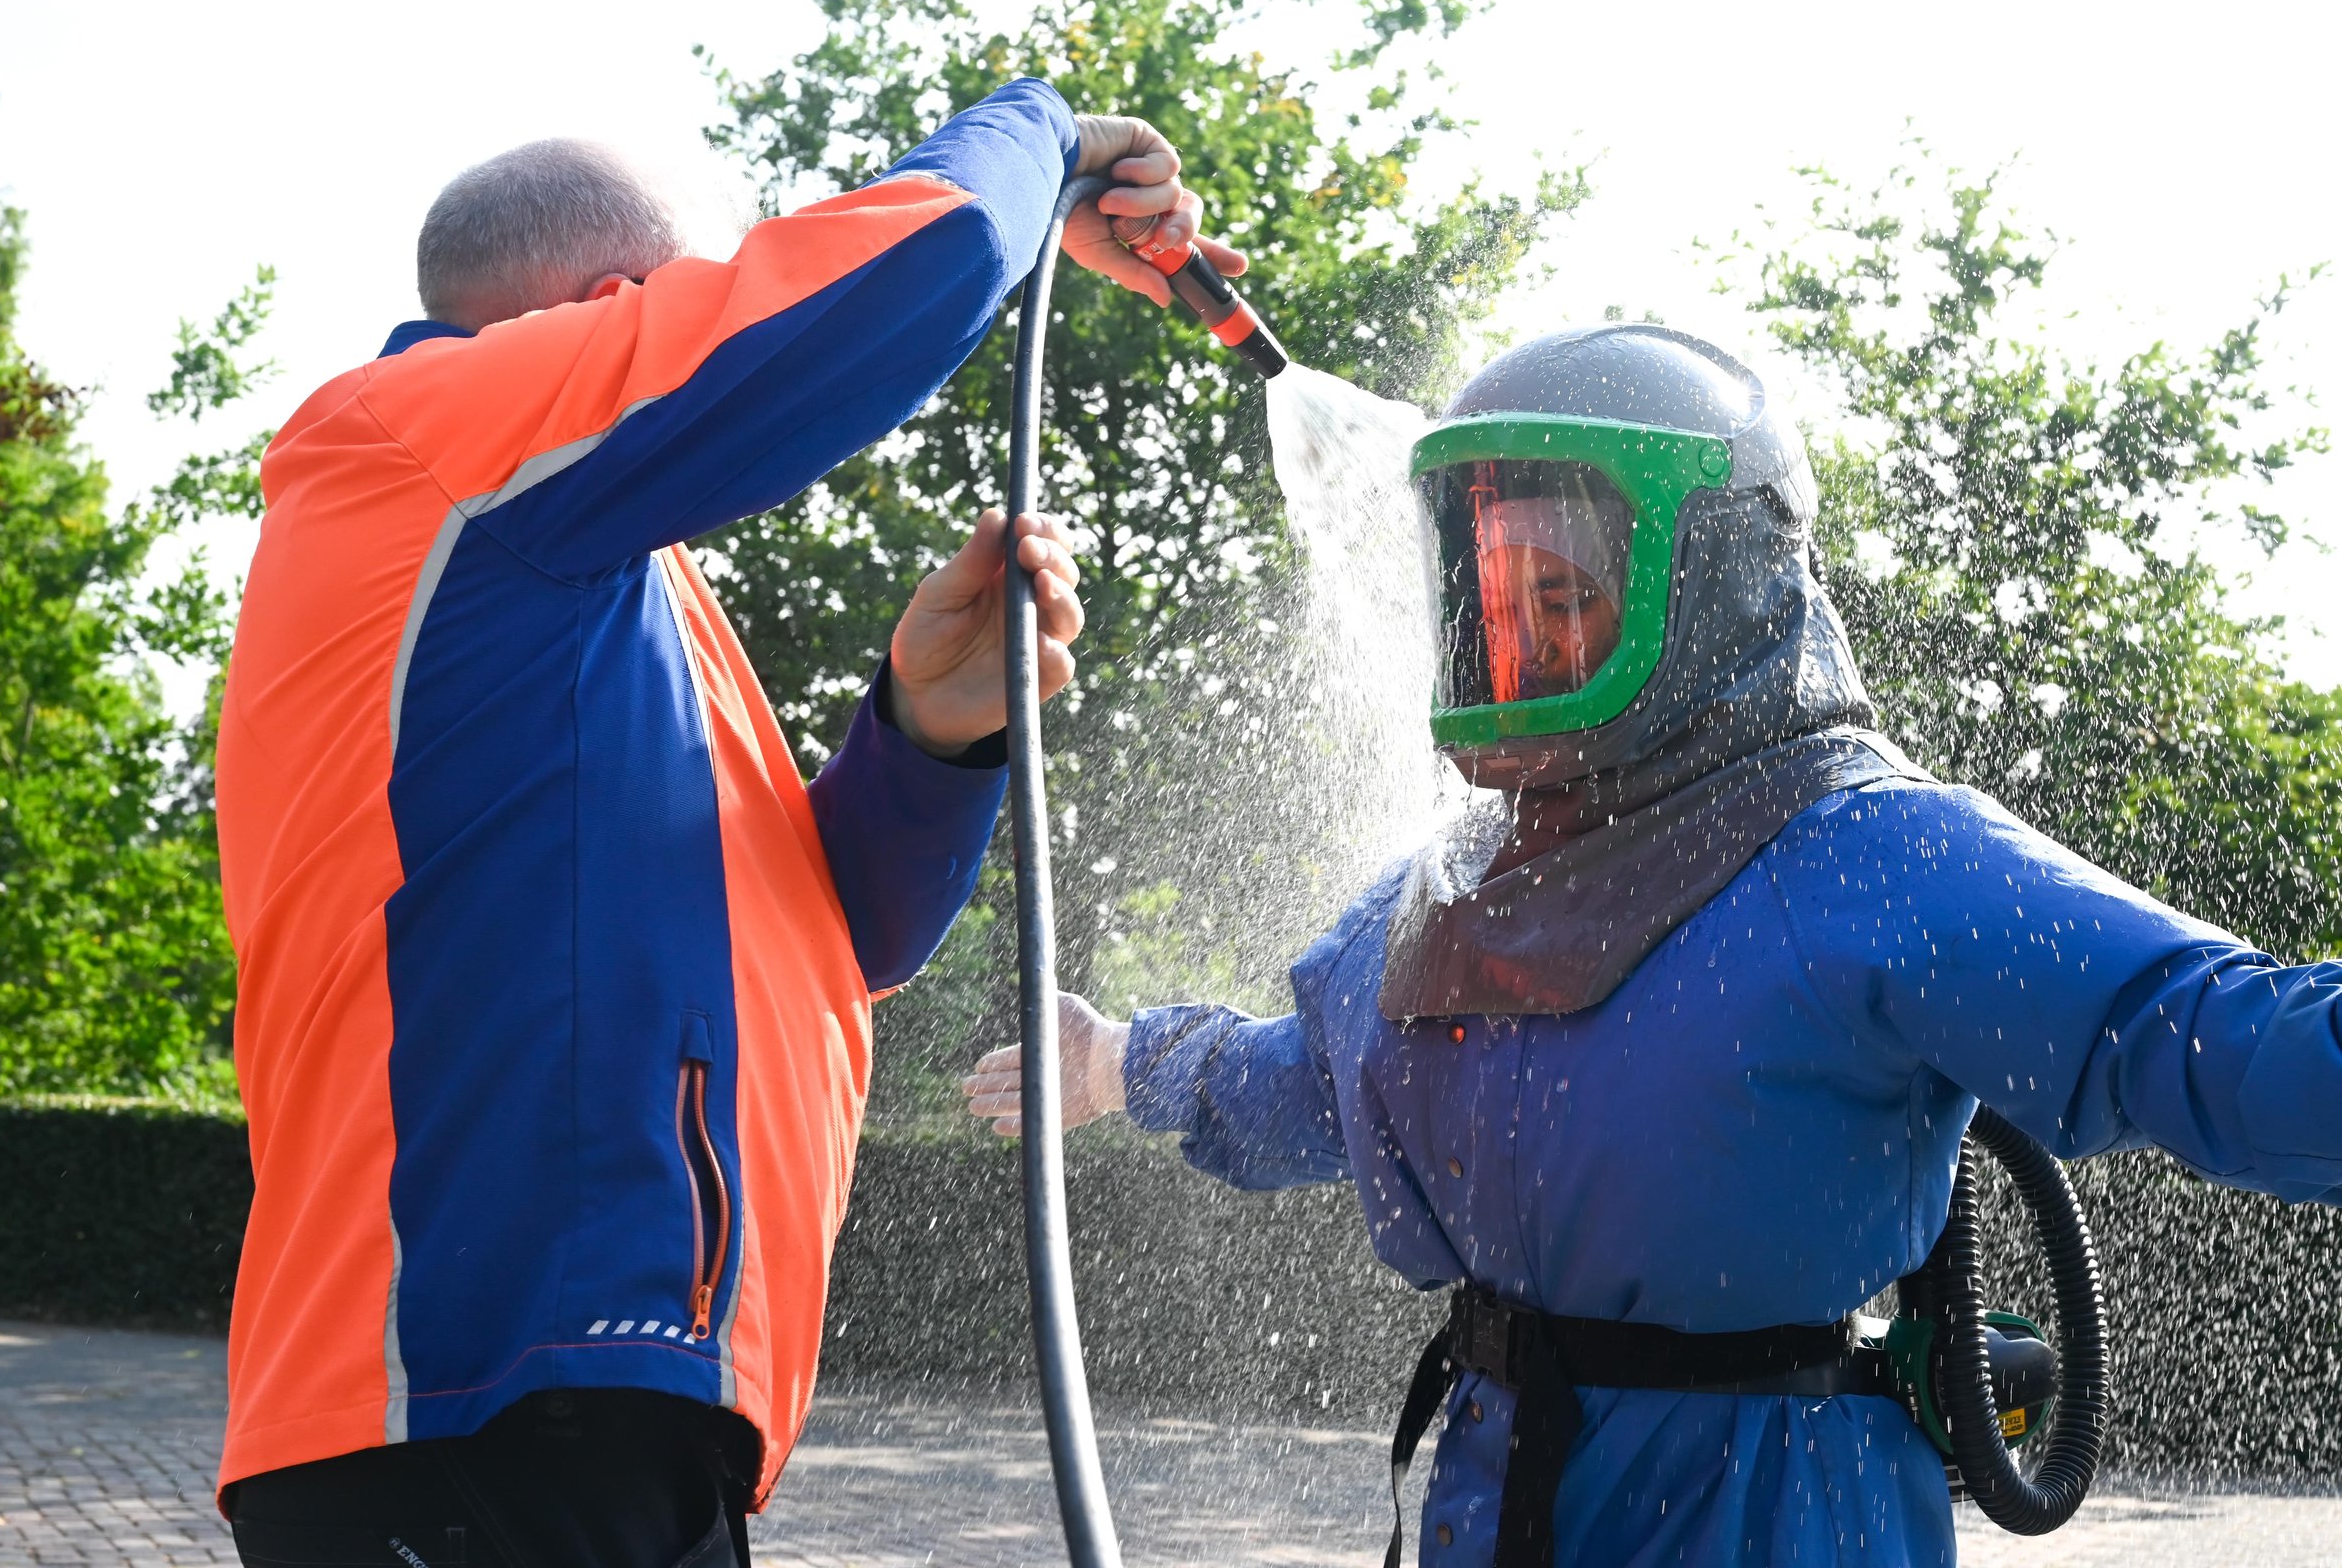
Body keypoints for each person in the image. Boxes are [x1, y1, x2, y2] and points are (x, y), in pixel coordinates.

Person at [963, 324, 2342, 1567]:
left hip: (1777, 1519)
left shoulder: (1871, 853)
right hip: (1504, 1508)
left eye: (1565, 598)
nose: (1524, 641)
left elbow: (2211, 1035)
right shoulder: (1448, 886)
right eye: (1500, 603)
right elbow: (1299, 1090)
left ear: (1719, 579)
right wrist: (1117, 1063)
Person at [214, 80, 1246, 1568]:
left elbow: (836, 940)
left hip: (594, 1419)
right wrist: (1049, 131)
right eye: (677, 305)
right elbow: (898, 276)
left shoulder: (588, 598)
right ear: (615, 309)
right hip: (471, 1412)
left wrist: (929, 732)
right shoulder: (421, 441)